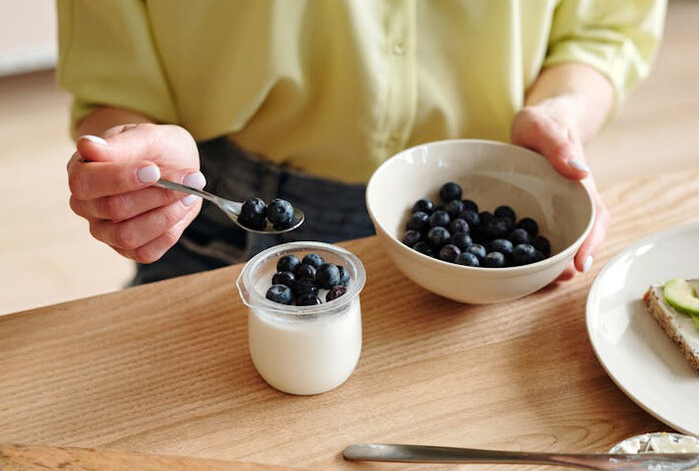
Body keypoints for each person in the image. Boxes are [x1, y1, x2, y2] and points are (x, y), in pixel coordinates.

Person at [58, 0, 666, 285]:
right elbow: (115, 72)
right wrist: (133, 156)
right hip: (221, 215)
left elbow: (606, 28)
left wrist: (562, 116)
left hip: (483, 207)